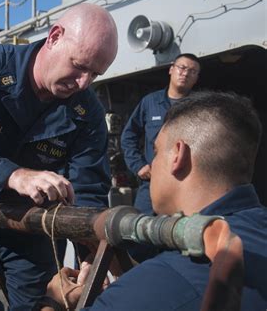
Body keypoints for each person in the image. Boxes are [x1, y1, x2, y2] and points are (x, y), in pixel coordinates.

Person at [0, 3, 118, 310]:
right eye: (80, 66)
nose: (84, 82)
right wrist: (13, 175)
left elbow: (89, 185)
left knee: (37, 305)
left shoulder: (88, 111)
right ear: (54, 36)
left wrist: (90, 254)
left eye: (95, 73)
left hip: (30, 227)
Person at [39, 91, 267, 310]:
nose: (152, 164)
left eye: (156, 152)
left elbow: (169, 287)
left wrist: (55, 301)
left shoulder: (166, 279)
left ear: (178, 155)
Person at [121, 53, 200, 214]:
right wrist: (138, 165)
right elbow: (128, 136)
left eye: (192, 71)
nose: (185, 73)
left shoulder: (198, 107)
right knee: (140, 231)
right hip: (151, 184)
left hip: (185, 185)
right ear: (171, 69)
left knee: (180, 234)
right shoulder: (150, 102)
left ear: (196, 78)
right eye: (182, 68)